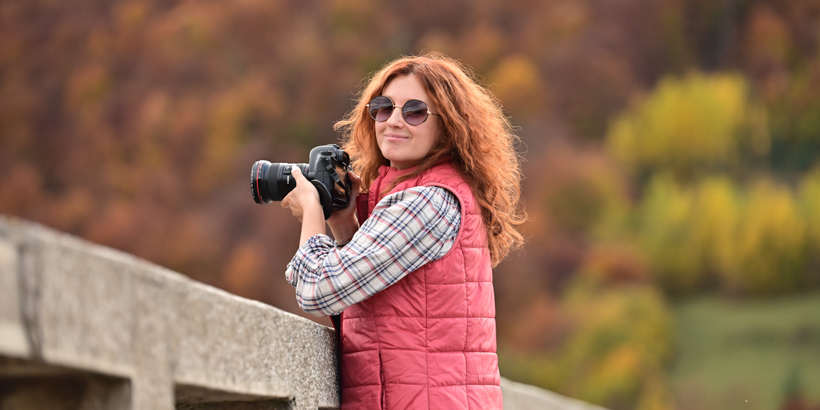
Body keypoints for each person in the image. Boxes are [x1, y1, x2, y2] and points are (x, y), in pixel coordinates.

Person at [281, 52, 525, 409]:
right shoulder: (424, 196)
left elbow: (318, 290)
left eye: (414, 111)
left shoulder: (427, 202)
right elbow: (379, 300)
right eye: (383, 108)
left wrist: (312, 211)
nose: (393, 121)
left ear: (449, 124)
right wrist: (344, 225)